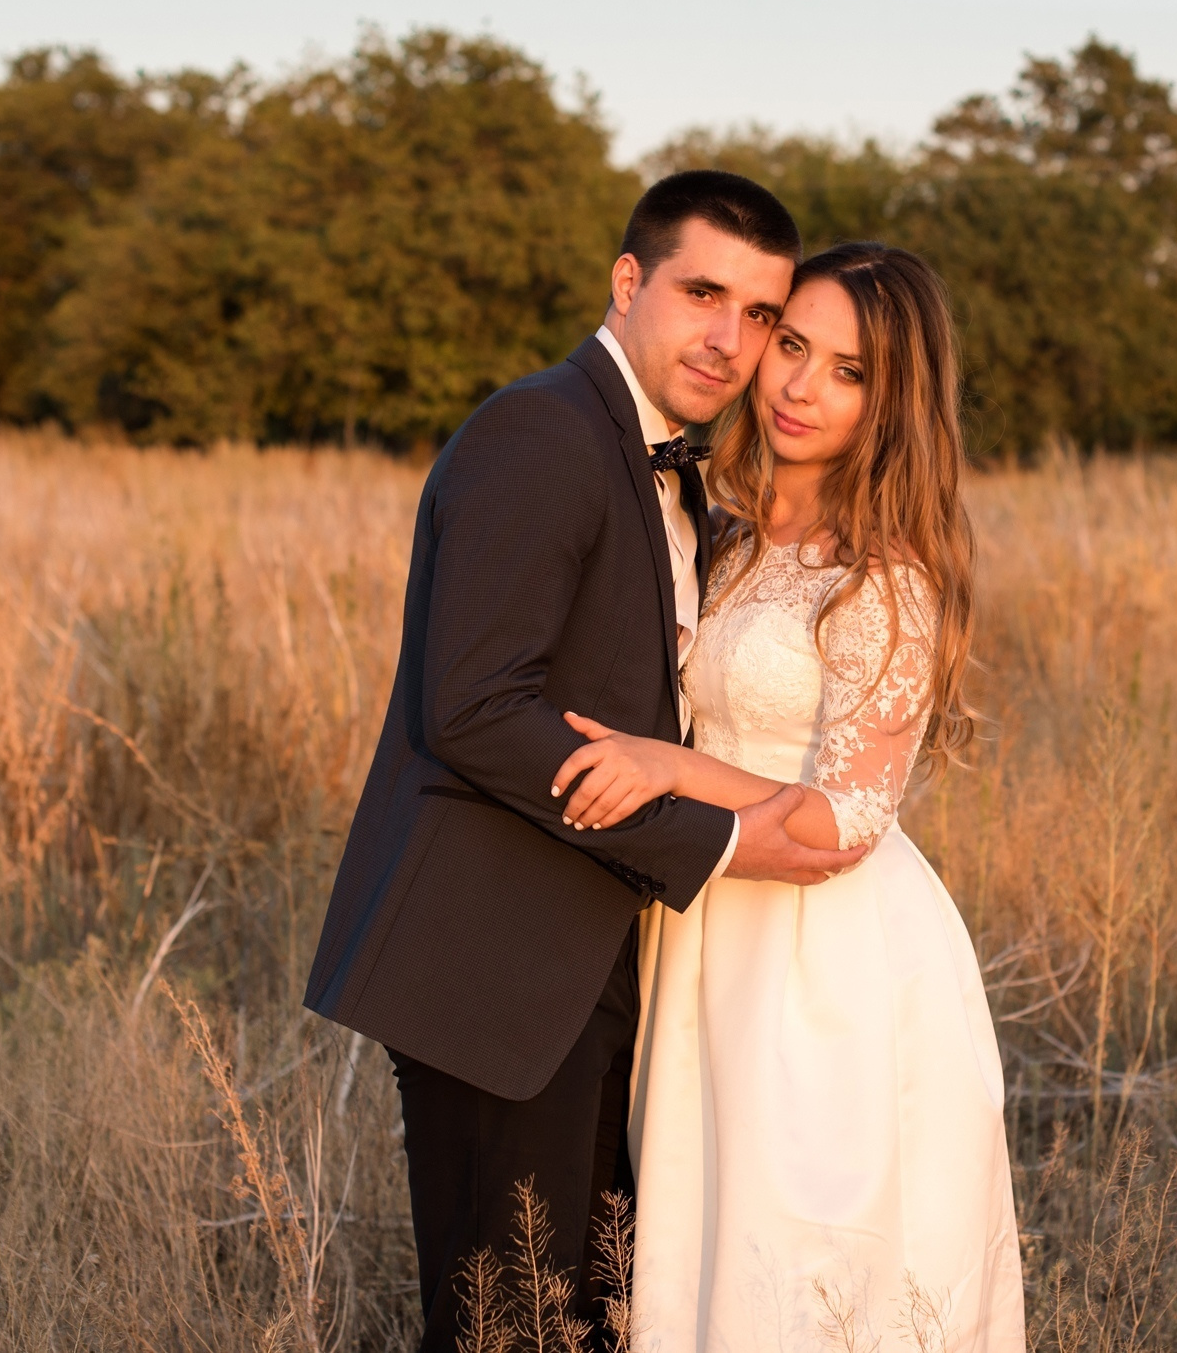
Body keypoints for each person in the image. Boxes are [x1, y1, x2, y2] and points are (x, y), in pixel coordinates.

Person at [301, 172, 870, 1352]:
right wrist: (711, 836)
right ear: (629, 281)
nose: (731, 338)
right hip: (496, 968)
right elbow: (472, 707)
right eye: (702, 291)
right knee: (507, 1322)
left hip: (596, 964)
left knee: (593, 1314)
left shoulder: (670, 467)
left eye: (760, 315)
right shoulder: (543, 431)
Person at [552, 243, 1024, 1350]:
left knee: (805, 1246)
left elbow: (841, 821)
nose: (802, 386)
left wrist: (670, 767)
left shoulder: (883, 573)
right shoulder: (720, 530)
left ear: (893, 400)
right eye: (794, 346)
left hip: (827, 958)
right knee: (698, 1238)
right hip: (706, 926)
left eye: (849, 371)